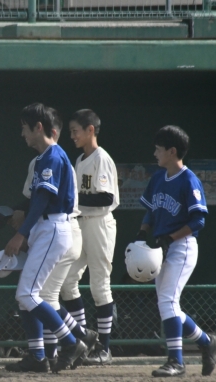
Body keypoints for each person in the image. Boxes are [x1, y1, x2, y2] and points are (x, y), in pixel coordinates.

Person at [6, 116, 99, 372]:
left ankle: (71, 342)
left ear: (39, 127)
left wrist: (20, 234)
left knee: (28, 294)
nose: (23, 134)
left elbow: (42, 201)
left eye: (25, 128)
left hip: (54, 226)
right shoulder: (43, 158)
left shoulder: (53, 157)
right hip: (47, 227)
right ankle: (38, 355)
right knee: (27, 297)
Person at [138, 125, 216, 377]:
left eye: (158, 149)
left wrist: (170, 238)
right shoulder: (157, 178)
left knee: (167, 301)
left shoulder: (188, 180)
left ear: (172, 151)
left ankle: (176, 361)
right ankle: (207, 342)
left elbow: (198, 221)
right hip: (161, 247)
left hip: (182, 246)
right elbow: (150, 211)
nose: (155, 153)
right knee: (167, 304)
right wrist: (142, 232)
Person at [61, 109, 119, 365]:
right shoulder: (79, 159)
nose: (72, 135)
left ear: (90, 130)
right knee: (67, 282)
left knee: (99, 285)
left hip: (99, 224)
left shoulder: (101, 158)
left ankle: (104, 349)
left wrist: (72, 198)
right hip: (81, 223)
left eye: (75, 131)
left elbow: (105, 197)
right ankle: (83, 341)